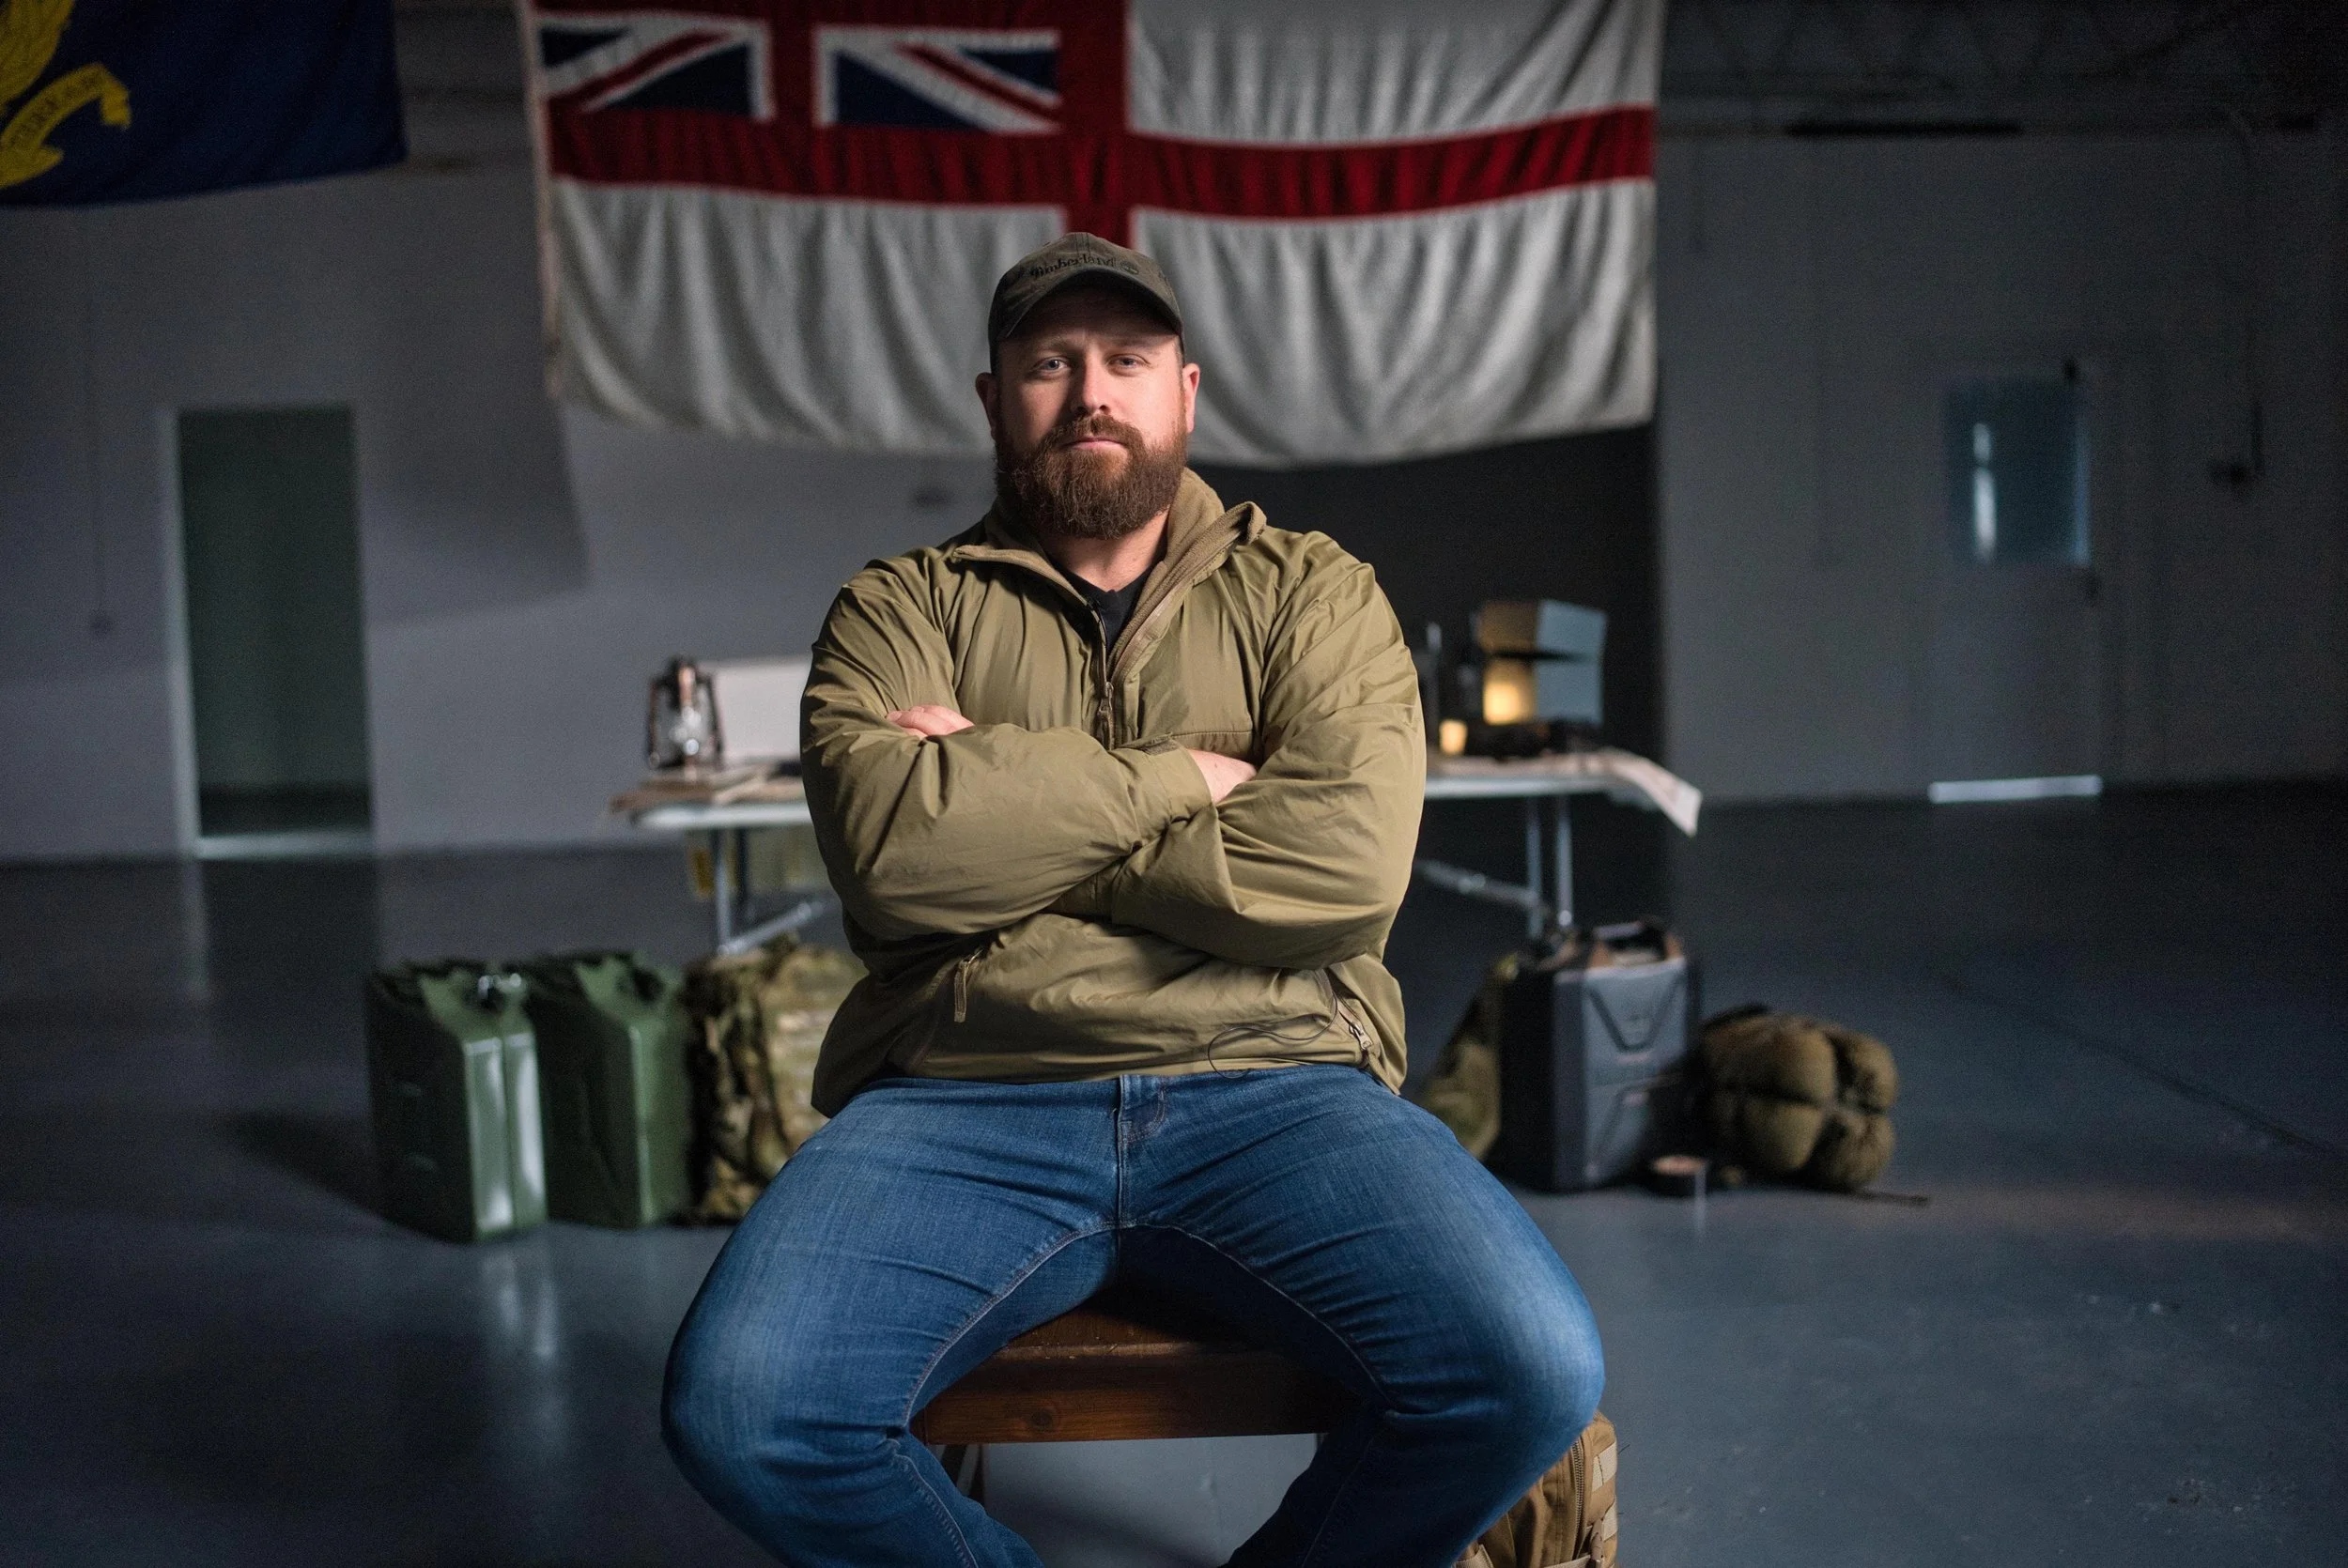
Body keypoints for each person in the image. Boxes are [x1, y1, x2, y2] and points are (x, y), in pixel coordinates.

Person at [662, 233, 1603, 1567]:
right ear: (995, 401)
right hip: (966, 1096)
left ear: (1187, 393)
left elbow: (1341, 866)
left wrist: (1008, 812)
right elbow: (892, 855)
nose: (1091, 391)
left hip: (1277, 1081)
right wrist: (1189, 781)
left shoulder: (1314, 595)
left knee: (1529, 1369)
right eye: (1049, 363)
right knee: (745, 1409)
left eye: (1127, 359)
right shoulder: (898, 610)